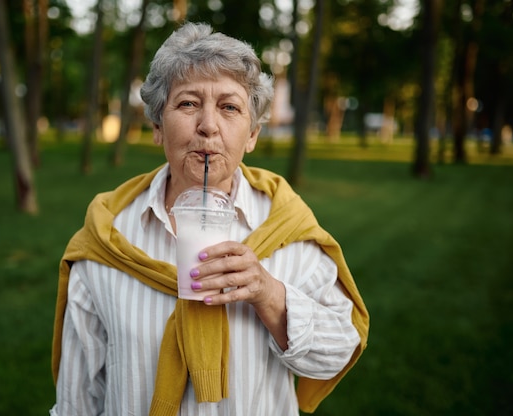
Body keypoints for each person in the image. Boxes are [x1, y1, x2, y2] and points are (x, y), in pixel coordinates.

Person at [50, 22, 369, 416]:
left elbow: (337, 354)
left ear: (251, 134)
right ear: (156, 126)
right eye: (187, 104)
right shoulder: (106, 238)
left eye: (229, 107)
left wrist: (269, 294)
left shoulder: (289, 231)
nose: (208, 125)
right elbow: (77, 400)